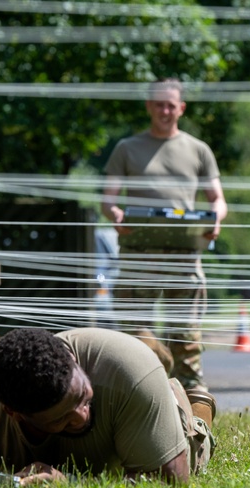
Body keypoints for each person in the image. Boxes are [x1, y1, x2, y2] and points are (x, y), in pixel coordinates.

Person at [0, 328, 216, 485]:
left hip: (141, 400)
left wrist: (75, 486)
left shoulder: (128, 371)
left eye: (83, 399)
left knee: (190, 437)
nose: (81, 416)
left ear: (74, 360)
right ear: (12, 412)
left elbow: (169, 485)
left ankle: (193, 402)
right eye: (61, 418)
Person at [101, 77, 228, 392]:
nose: (164, 110)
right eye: (158, 104)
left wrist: (216, 220)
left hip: (184, 254)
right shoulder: (127, 148)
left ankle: (194, 406)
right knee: (131, 330)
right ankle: (150, 383)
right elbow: (108, 199)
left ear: (181, 108)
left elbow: (217, 199)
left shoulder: (198, 149)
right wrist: (115, 215)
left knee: (185, 336)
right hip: (138, 253)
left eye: (171, 105)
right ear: (148, 106)